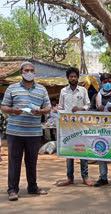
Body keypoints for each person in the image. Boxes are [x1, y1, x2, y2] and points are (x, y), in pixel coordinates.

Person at [1, 61, 51, 201]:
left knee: (32, 161)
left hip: (34, 133)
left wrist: (40, 111)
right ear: (21, 72)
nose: (29, 73)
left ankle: (33, 187)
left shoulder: (42, 89)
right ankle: (12, 190)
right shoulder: (12, 88)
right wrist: (12, 110)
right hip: (14, 132)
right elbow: (3, 107)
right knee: (14, 161)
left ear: (34, 73)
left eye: (31, 70)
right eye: (26, 70)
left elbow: (48, 108)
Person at [56, 67, 94, 187]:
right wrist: (57, 109)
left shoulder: (83, 90)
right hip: (67, 127)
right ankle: (69, 178)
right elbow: (60, 106)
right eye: (71, 76)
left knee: (83, 151)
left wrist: (81, 109)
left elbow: (88, 105)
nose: (73, 78)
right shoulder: (63, 91)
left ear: (78, 78)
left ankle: (85, 177)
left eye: (75, 76)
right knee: (69, 152)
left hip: (81, 126)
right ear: (68, 78)